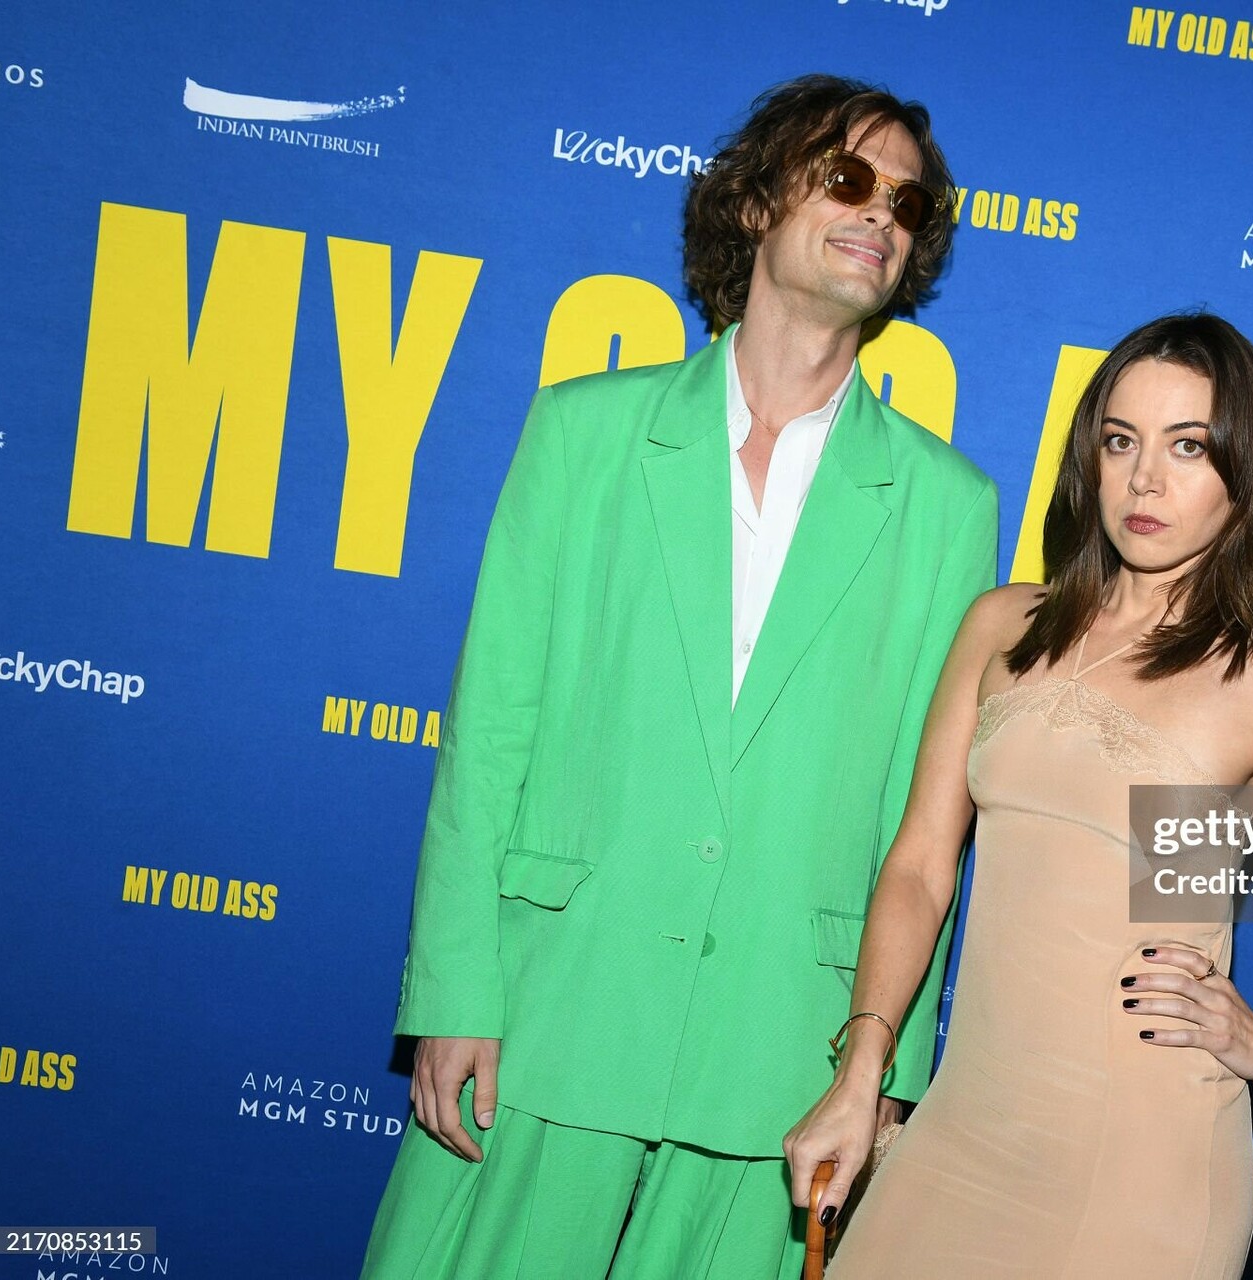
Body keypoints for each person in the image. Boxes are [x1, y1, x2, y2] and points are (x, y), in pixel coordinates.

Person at [361, 74, 996, 1280]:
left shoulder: (946, 506)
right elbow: (489, 733)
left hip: (783, 1050)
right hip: (552, 1006)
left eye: (907, 202)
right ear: (755, 202)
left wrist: (885, 1071)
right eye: (847, 178)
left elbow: (922, 826)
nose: (881, 212)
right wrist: (454, 987)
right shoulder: (583, 432)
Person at [783, 312, 1253, 1277]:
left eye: (1189, 446)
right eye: (1120, 441)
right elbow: (922, 869)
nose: (1145, 479)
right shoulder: (1001, 627)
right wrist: (861, 1074)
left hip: (1139, 1172)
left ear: (1245, 476)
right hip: (959, 1133)